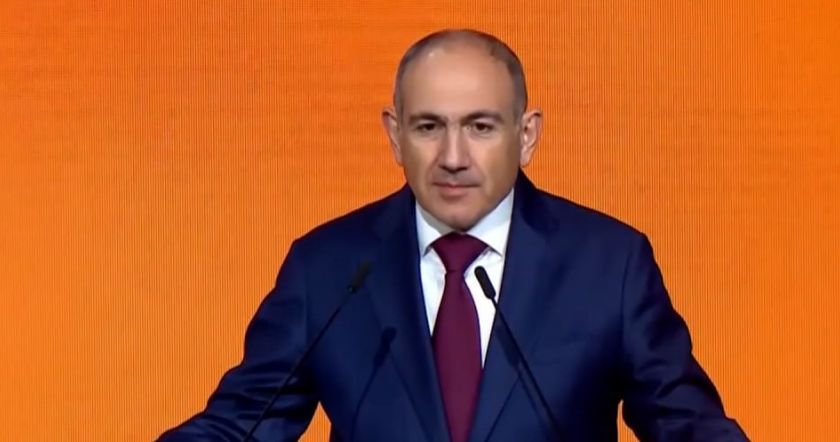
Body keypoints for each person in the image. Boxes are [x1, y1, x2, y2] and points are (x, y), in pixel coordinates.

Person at [159, 29, 748, 441]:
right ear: (395, 136)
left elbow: (686, 424)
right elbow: (241, 424)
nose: (453, 157)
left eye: (480, 127)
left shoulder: (608, 264)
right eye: (428, 127)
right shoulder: (329, 268)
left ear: (526, 135)